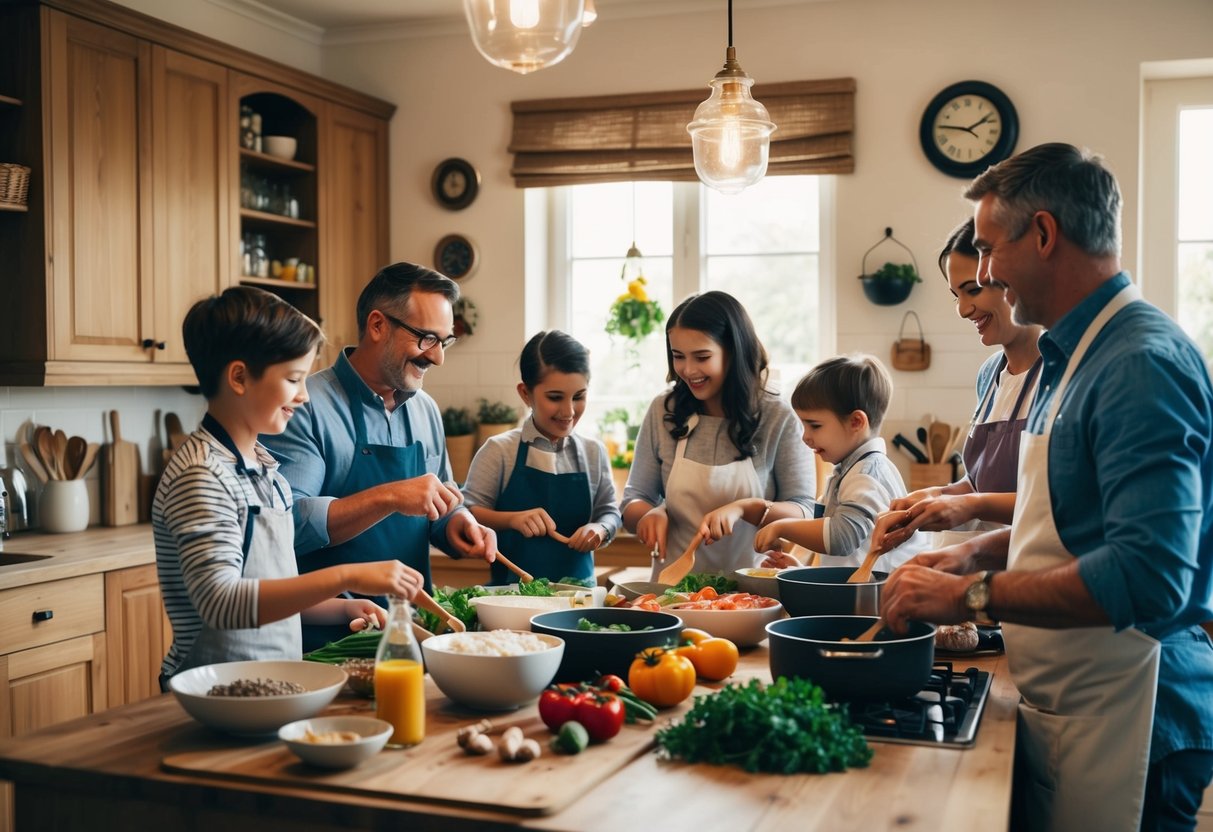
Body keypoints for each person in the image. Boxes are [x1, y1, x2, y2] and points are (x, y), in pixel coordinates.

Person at [879, 143, 1213, 832]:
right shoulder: (1072, 354)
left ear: (1042, 233)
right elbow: (1068, 519)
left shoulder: (1139, 364)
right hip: (1077, 699)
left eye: (987, 247)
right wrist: (976, 553)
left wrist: (966, 595)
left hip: (1141, 713)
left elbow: (1149, 577)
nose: (987, 272)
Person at [155, 287, 424, 686]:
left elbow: (272, 594)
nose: (303, 396)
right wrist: (346, 576)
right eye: (294, 379)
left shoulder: (269, 473)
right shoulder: (201, 476)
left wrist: (340, 608)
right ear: (240, 377)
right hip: (211, 692)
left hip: (266, 687)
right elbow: (222, 604)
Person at [262, 263, 497, 650]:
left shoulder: (425, 410)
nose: (437, 358)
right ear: (377, 326)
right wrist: (389, 496)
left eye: (444, 342)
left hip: (413, 634)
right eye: (426, 339)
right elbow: (288, 526)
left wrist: (458, 522)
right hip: (327, 643)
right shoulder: (305, 407)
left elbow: (441, 497)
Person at [870, 218, 1042, 554]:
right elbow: (979, 484)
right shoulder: (989, 376)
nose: (963, 310)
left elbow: (1061, 503)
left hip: (1035, 570)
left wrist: (972, 506)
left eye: (973, 290)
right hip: (979, 569)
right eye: (956, 296)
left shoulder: (1064, 374)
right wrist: (936, 496)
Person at [621, 291, 816, 580]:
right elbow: (634, 499)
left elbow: (803, 510)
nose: (688, 370)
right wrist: (648, 515)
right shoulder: (664, 410)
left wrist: (744, 510)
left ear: (734, 351)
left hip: (754, 593)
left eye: (702, 357)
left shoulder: (778, 416)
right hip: (672, 592)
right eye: (678, 356)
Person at [463, 331, 621, 585]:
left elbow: (610, 513)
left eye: (579, 396)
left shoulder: (594, 452)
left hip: (578, 600)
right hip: (511, 598)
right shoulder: (499, 450)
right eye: (555, 397)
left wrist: (600, 529)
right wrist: (512, 519)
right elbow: (468, 514)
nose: (569, 411)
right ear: (526, 394)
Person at [753, 354, 924, 570]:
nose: (805, 436)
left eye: (815, 425)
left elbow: (841, 539)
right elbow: (846, 553)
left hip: (880, 599)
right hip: (860, 594)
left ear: (856, 422)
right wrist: (801, 571)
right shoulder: (848, 471)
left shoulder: (866, 476)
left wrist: (781, 528)